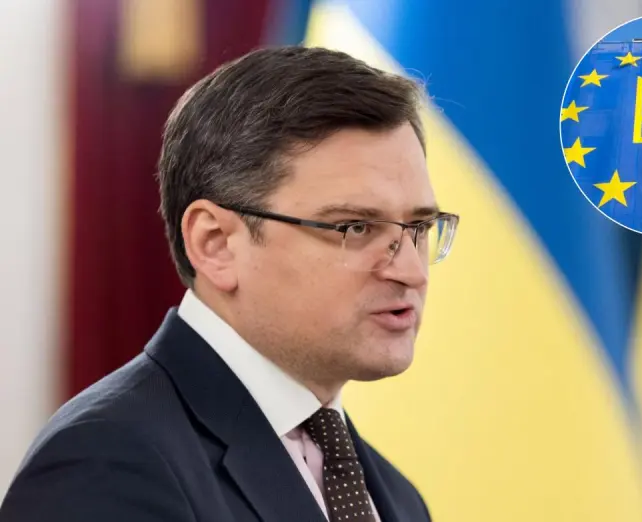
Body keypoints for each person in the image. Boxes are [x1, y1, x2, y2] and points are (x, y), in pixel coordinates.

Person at [0, 46, 458, 522]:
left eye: (420, 228)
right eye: (356, 227)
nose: (412, 271)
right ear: (215, 244)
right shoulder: (107, 464)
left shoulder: (398, 499)